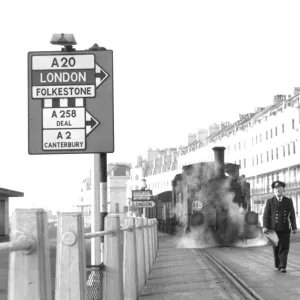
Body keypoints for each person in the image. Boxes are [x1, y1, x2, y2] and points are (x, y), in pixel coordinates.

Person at [263, 180, 297, 273]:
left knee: (284, 247)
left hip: (285, 229)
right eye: (275, 189)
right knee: (276, 248)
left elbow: (292, 215)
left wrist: (294, 227)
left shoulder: (288, 201)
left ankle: (283, 266)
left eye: (279, 188)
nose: (277, 190)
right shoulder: (270, 201)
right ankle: (278, 264)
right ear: (274, 191)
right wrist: (265, 226)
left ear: (283, 190)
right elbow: (266, 215)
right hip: (273, 230)